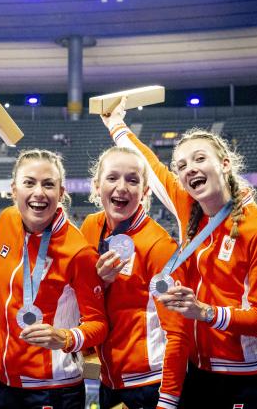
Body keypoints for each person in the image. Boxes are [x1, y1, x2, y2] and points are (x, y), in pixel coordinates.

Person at [102, 103, 257, 409]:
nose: (189, 169)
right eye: (182, 165)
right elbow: (152, 168)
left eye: (200, 159)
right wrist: (116, 125)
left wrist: (205, 312)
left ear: (225, 164)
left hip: (249, 380)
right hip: (200, 374)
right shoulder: (190, 207)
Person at [0, 149, 108, 409]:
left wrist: (65, 338)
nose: (39, 193)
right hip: (0, 382)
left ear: (61, 193)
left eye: (48, 185)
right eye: (29, 183)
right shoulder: (7, 220)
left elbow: (98, 324)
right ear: (14, 190)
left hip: (53, 388)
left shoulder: (78, 251)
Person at [80, 146, 190, 409]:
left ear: (146, 190)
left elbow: (178, 333)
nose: (122, 187)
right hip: (109, 383)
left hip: (150, 385)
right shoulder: (90, 227)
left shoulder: (160, 247)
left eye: (132, 180)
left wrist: (168, 401)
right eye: (112, 178)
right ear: (96, 186)